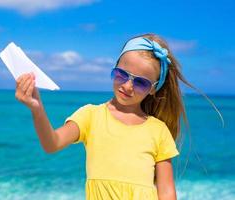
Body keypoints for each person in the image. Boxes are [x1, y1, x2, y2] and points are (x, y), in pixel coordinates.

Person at [14, 33, 223, 200]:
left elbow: (167, 192)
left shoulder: (158, 130)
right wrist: (37, 108)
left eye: (140, 82)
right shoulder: (91, 115)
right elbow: (52, 143)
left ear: (153, 89)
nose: (127, 86)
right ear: (114, 69)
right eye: (121, 75)